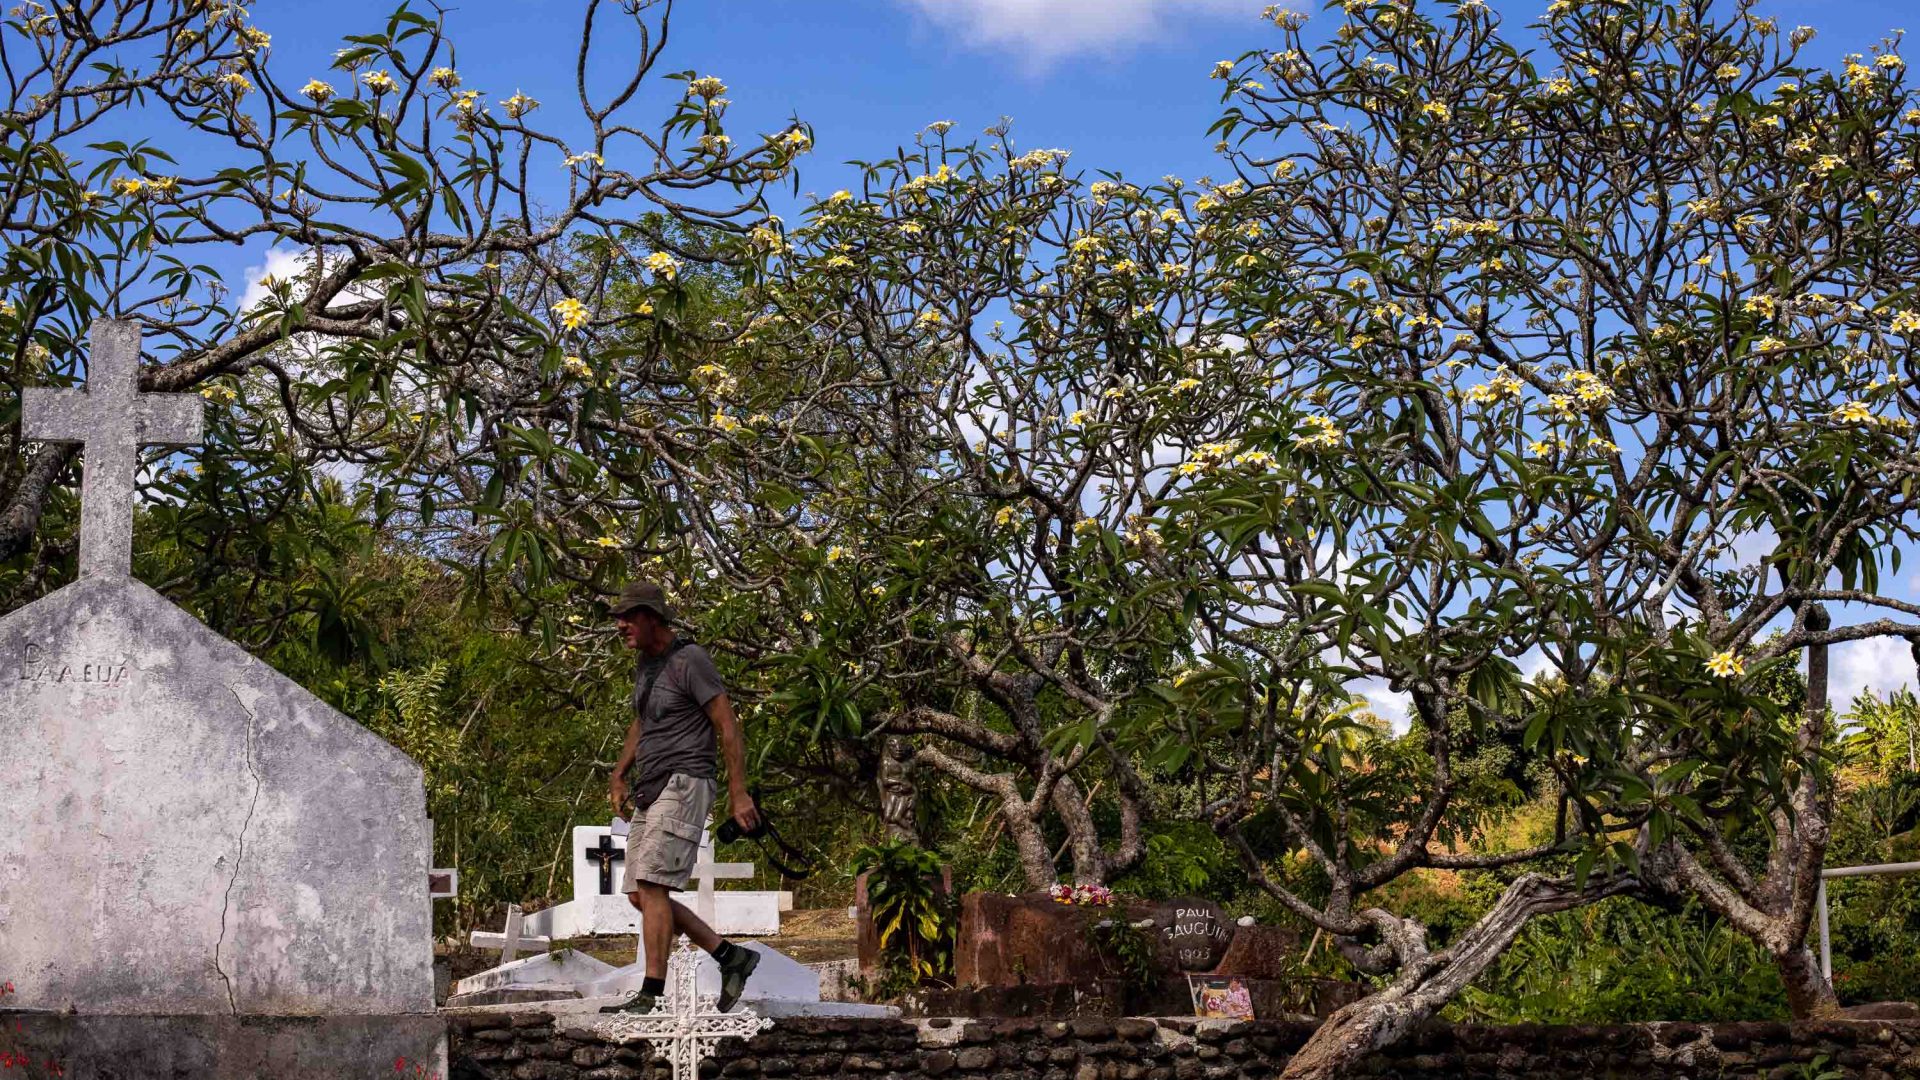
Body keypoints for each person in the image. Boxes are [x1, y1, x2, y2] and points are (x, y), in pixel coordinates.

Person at [598, 580, 761, 1014]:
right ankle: (731, 956)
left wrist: (738, 792)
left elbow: (726, 723)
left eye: (628, 616)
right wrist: (619, 773)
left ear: (653, 617)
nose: (620, 625)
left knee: (651, 884)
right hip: (651, 786)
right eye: (619, 617)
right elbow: (642, 723)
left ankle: (651, 994)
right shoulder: (646, 666)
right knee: (639, 893)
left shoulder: (691, 660)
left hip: (686, 780)